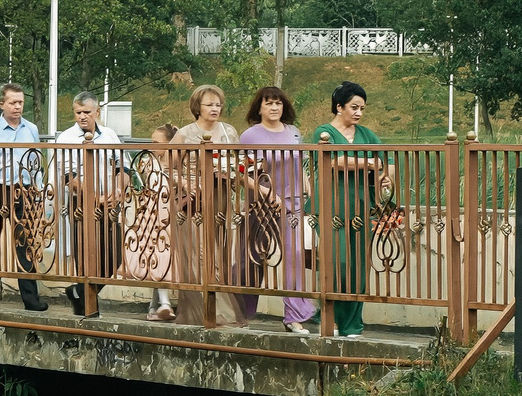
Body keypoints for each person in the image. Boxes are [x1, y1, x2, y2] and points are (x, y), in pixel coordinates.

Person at [313, 81, 390, 338]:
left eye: (362, 108)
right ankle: (331, 319)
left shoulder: (367, 135)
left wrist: (384, 177)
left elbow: (384, 161)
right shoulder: (323, 133)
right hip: (331, 207)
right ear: (339, 107)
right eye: (354, 107)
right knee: (338, 262)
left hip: (359, 207)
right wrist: (368, 163)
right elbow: (334, 161)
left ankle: (353, 325)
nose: (358, 113)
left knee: (358, 267)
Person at [239, 86, 316, 333]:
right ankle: (240, 313)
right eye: (269, 103)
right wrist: (267, 193)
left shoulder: (293, 132)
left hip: (292, 203)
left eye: (278, 103)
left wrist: (307, 188)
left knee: (294, 256)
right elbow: (242, 173)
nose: (274, 107)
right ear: (259, 108)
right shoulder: (250, 136)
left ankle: (294, 316)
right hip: (261, 204)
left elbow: (299, 163)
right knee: (251, 259)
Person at [164, 84, 238, 324]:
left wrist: (233, 176)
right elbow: (167, 168)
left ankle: (217, 310)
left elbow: (239, 163)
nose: (215, 108)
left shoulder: (229, 132)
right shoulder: (185, 133)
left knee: (221, 256)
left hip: (222, 198)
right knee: (202, 255)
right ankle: (205, 312)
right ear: (198, 107)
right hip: (194, 201)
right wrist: (185, 183)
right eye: (209, 104)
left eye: (218, 104)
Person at [0, 82, 49, 311]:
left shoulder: (31, 129)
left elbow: (36, 159)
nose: (17, 107)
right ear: (2, 104)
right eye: (12, 102)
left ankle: (31, 300)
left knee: (25, 244)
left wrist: (37, 190)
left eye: (20, 102)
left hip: (25, 190)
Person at [52, 96, 123, 316]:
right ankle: (90, 308)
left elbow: (123, 167)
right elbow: (68, 176)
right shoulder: (67, 137)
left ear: (97, 112)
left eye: (87, 112)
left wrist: (119, 190)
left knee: (114, 256)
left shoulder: (110, 135)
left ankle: (78, 291)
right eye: (78, 112)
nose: (82, 116)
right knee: (85, 256)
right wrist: (93, 196)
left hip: (109, 203)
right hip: (81, 204)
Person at [120, 125, 182, 320]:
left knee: (162, 257)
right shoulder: (147, 163)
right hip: (149, 216)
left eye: (156, 143)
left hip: (168, 216)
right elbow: (138, 188)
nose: (151, 146)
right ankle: (163, 304)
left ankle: (154, 306)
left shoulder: (176, 164)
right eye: (151, 141)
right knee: (154, 257)